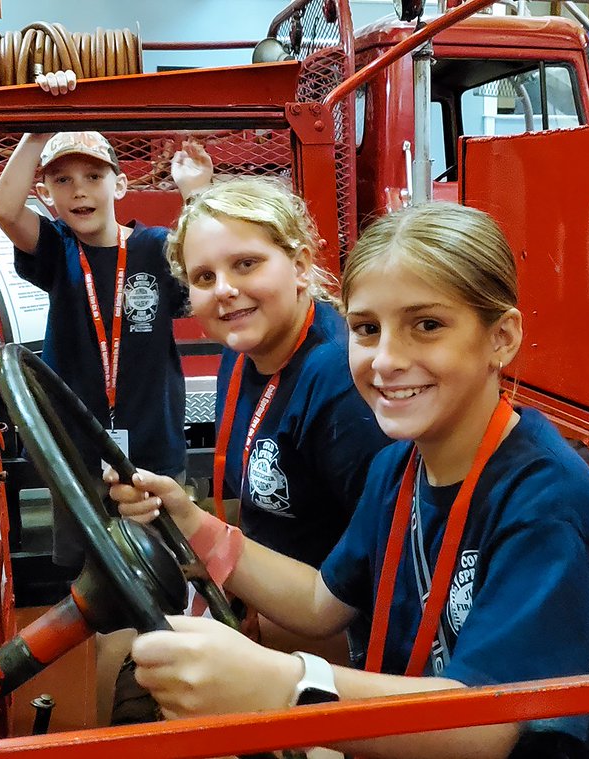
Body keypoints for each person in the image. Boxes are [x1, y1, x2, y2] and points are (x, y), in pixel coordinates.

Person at [110, 202, 589, 758]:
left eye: (427, 325)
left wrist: (287, 687)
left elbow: (492, 726)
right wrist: (192, 523)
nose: (386, 360)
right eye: (367, 329)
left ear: (502, 338)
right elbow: (321, 602)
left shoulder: (543, 499)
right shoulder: (399, 466)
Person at [105, 177, 391, 725]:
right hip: (261, 599)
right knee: (118, 639)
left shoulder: (338, 381)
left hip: (333, 637)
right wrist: (182, 514)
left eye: (246, 265)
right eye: (204, 277)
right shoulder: (243, 354)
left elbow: (378, 580)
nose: (225, 290)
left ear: (300, 265)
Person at [0, 69, 214, 580]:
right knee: (91, 575)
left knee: (160, 568)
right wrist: (37, 130)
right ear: (46, 192)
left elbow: (206, 257)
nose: (79, 190)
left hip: (153, 441)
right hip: (75, 448)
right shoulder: (56, 248)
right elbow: (5, 209)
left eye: (94, 176)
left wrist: (196, 194)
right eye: (62, 180)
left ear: (121, 183)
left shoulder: (155, 246)